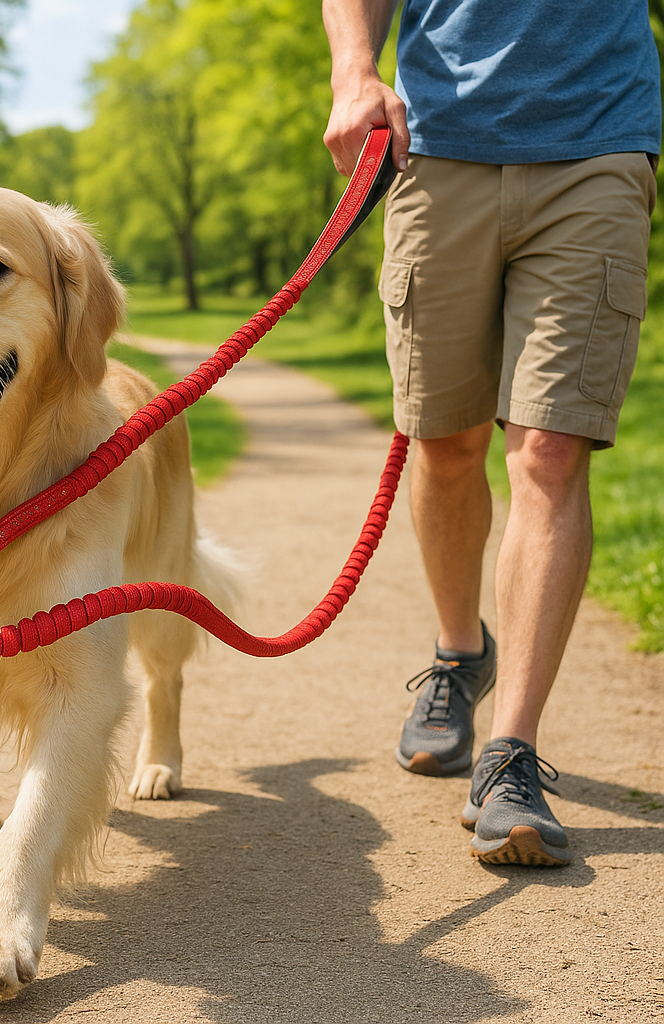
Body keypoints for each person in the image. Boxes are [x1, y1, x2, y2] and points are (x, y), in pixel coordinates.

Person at [321, 0, 661, 866]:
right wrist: (354, 71)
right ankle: (460, 654)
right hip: (435, 148)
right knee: (446, 444)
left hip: (599, 143)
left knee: (549, 452)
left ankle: (511, 755)